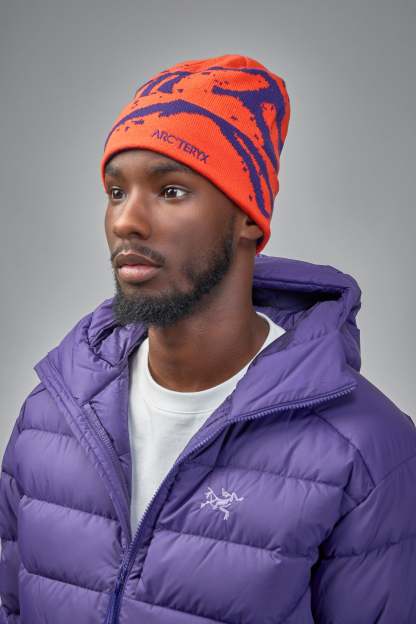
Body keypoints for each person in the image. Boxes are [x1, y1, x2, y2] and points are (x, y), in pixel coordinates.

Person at [0, 53, 415, 624]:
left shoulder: (364, 449)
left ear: (248, 218)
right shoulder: (51, 415)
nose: (125, 221)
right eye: (116, 192)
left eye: (171, 191)